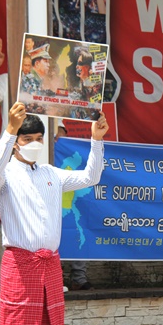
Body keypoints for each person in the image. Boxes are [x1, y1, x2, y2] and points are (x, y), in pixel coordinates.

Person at [0, 102, 108, 325]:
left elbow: (92, 177)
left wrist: (97, 139)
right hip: (20, 266)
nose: (34, 144)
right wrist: (9, 130)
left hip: (50, 265)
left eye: (39, 139)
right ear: (16, 143)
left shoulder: (51, 173)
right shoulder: (4, 177)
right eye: (27, 139)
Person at [54, 122, 93, 290]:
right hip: (51, 206)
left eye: (61, 136)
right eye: (55, 137)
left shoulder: (71, 156)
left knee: (78, 235)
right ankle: (56, 280)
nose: (58, 139)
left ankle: (79, 278)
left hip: (71, 204)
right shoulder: (39, 157)